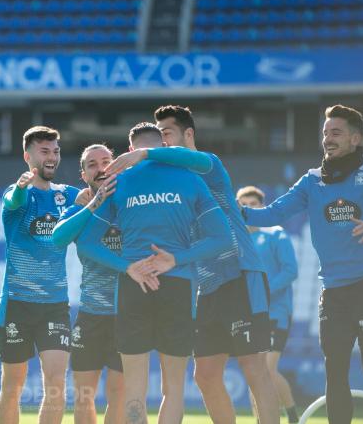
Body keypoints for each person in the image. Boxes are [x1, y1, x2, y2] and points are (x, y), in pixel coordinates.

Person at [105, 106, 280, 424]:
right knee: (205, 376)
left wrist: (144, 152)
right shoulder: (167, 176)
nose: (161, 143)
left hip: (240, 272)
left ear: (188, 135)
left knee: (254, 367)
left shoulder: (207, 165)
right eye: (157, 136)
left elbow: (192, 161)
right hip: (205, 282)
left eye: (167, 135)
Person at [54, 123, 233, 424]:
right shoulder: (190, 178)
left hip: (133, 286)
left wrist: (129, 266)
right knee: (173, 390)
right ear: (164, 145)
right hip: (177, 285)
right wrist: (176, 259)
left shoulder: (119, 182)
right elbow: (223, 238)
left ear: (129, 151)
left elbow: (86, 244)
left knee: (134, 389)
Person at [242, 105, 363, 424]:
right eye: (325, 133)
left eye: (336, 133)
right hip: (333, 294)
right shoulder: (312, 181)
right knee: (335, 373)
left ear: (356, 138)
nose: (328, 139)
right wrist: (235, 212)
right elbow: (272, 214)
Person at [0, 126, 79, 424]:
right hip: (16, 303)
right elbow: (12, 201)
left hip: (55, 304)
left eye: (55, 151)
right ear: (27, 155)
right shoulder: (17, 193)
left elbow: (95, 195)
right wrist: (20, 187)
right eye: (45, 151)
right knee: (13, 385)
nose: (52, 157)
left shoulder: (67, 195)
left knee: (56, 384)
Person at [51, 144, 125, 423]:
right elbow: (58, 238)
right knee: (84, 396)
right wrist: (94, 203)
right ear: (83, 174)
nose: (101, 168)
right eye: (92, 164)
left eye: (106, 161)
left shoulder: (131, 202)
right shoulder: (79, 209)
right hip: (91, 315)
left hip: (127, 314)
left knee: (120, 394)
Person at [237, 186, 299, 424]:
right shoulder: (236, 239)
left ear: (262, 206)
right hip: (248, 314)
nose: (249, 209)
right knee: (254, 373)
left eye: (254, 204)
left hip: (275, 312)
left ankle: (292, 415)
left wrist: (262, 293)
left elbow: (290, 270)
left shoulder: (275, 234)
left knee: (266, 370)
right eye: (244, 205)